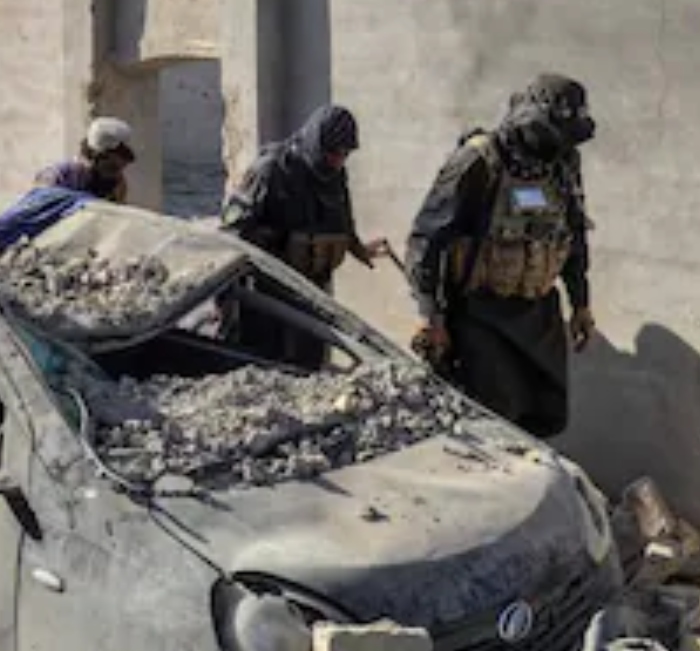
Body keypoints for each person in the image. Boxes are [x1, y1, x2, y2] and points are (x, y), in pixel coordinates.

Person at [405, 74, 598, 438]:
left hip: (540, 316)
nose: (559, 146)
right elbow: (426, 239)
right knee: (495, 420)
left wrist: (581, 303)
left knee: (546, 415)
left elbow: (572, 234)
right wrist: (431, 316)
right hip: (482, 316)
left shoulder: (564, 164)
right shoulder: (478, 162)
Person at [220, 104, 392, 369]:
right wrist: (223, 296)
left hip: (312, 291)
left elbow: (342, 221)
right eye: (333, 152)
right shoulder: (271, 169)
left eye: (345, 154)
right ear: (316, 143)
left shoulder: (334, 176)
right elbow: (231, 233)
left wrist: (358, 249)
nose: (338, 160)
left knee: (309, 366)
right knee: (265, 366)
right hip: (268, 294)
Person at [35, 118, 136, 204]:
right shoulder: (57, 176)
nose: (115, 175)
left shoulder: (116, 182)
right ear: (96, 156)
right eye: (112, 168)